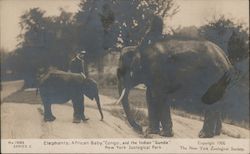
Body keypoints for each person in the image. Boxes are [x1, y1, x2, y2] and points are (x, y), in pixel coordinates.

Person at [69, 50, 89, 122]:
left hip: (81, 84)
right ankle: (76, 117)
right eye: (81, 54)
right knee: (75, 100)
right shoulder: (73, 62)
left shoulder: (83, 62)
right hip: (75, 84)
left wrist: (86, 79)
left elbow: (85, 72)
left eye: (83, 54)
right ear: (77, 53)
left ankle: (82, 115)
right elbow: (72, 73)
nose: (83, 55)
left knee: (81, 100)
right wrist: (81, 75)